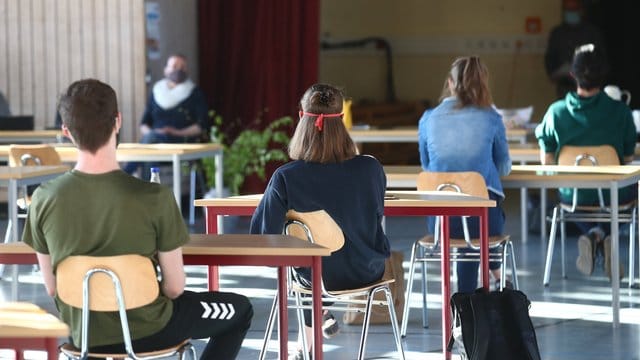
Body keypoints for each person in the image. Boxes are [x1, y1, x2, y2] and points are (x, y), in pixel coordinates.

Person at [22, 79, 253, 359]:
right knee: (241, 310)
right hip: (150, 329)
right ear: (117, 121)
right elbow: (175, 287)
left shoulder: (43, 199)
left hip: (82, 333)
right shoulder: (154, 197)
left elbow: (52, 287)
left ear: (66, 131)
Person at [249, 83, 390, 359]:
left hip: (314, 277)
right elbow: (374, 217)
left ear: (302, 119)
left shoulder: (286, 177)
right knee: (327, 253)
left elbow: (263, 240)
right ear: (343, 122)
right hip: (367, 269)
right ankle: (311, 334)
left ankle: (309, 338)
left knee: (307, 259)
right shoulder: (370, 168)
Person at [535, 43, 636, 279]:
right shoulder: (621, 111)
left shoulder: (555, 112)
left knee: (566, 194)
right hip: (614, 194)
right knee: (631, 193)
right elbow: (628, 158)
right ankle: (604, 234)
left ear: (572, 74)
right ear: (604, 75)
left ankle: (593, 233)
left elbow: (547, 161)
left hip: (573, 194)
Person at [418, 55, 512, 293]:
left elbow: (428, 167)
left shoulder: (428, 118)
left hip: (439, 223)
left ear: (450, 82)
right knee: (479, 219)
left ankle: (468, 304)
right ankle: (478, 294)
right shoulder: (491, 118)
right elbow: (504, 168)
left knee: (464, 220)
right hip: (484, 221)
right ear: (483, 84)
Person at [124, 54, 209, 178]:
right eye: (174, 66)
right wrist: (154, 133)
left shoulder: (195, 93)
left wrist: (176, 132)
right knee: (151, 145)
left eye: (182, 67)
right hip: (156, 142)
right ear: (166, 70)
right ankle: (148, 190)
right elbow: (144, 124)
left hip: (181, 141)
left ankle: (126, 177)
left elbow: (201, 125)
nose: (178, 70)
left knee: (150, 144)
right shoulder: (157, 91)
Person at [545, 0, 606, 99]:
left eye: (574, 9)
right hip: (565, 88)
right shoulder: (557, 33)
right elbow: (550, 60)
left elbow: (602, 60)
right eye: (568, 9)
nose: (571, 12)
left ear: (581, 10)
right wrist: (555, 73)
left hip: (590, 89)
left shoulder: (592, 32)